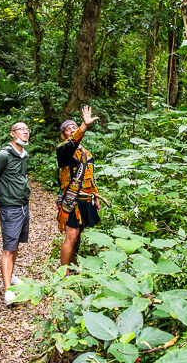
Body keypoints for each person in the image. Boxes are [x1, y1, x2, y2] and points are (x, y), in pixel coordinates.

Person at [56, 106, 108, 273]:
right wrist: (84, 126)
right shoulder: (63, 151)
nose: (71, 130)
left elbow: (90, 176)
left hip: (86, 199)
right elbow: (72, 143)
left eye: (74, 127)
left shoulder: (87, 153)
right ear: (63, 135)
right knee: (70, 237)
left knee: (78, 238)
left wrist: (96, 196)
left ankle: (73, 267)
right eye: (67, 129)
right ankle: (63, 275)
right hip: (72, 199)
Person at [0, 122, 31, 306]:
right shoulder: (3, 155)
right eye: (22, 129)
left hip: (23, 205)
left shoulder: (24, 155)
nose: (26, 132)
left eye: (28, 130)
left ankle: (11, 275)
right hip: (10, 206)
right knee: (8, 248)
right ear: (12, 134)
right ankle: (8, 291)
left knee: (16, 244)